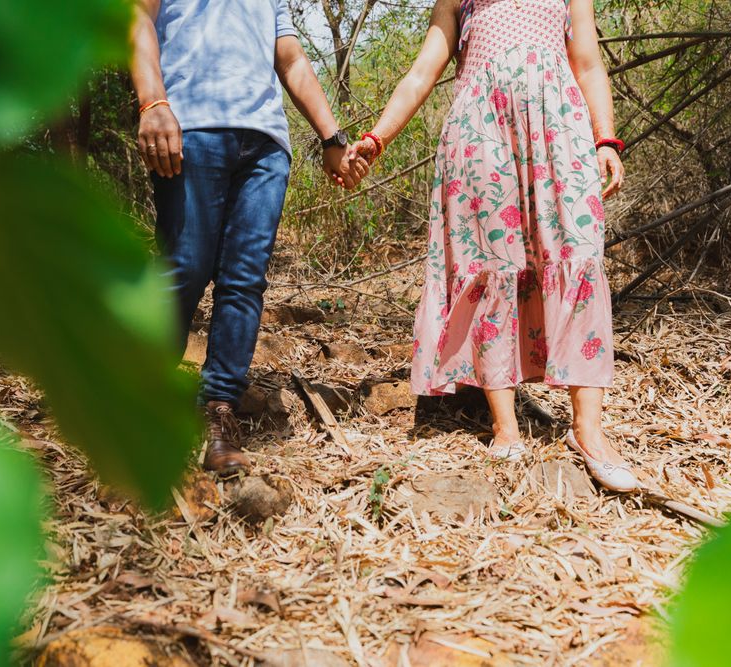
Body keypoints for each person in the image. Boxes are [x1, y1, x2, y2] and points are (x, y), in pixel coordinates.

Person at [349, 0, 636, 491]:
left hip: (558, 122)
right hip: (481, 127)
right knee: (492, 263)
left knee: (579, 252)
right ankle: (505, 424)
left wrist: (605, 139)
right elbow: (423, 70)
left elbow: (587, 60)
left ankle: (588, 431)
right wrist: (377, 139)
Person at [131, 0, 369, 475]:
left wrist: (331, 137)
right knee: (185, 267)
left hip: (265, 146)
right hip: (189, 128)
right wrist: (153, 103)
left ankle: (218, 413)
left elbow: (292, 57)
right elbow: (138, 18)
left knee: (244, 280)